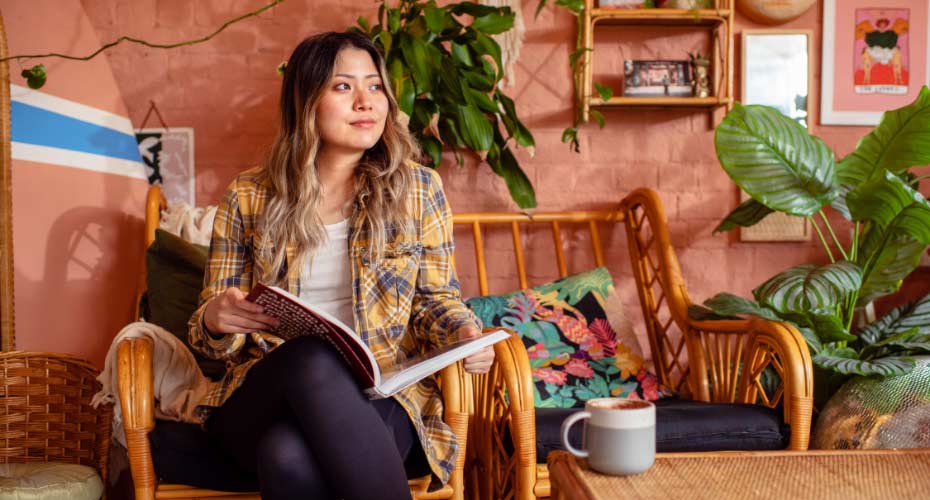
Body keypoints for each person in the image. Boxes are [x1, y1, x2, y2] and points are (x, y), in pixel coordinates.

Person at [187, 31, 493, 500]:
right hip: (262, 398)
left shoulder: (418, 190)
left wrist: (466, 336)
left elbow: (436, 302)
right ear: (305, 101)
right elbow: (210, 335)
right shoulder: (248, 196)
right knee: (312, 356)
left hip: (383, 401)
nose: (366, 102)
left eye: (374, 86)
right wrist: (215, 318)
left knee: (287, 455)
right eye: (343, 87)